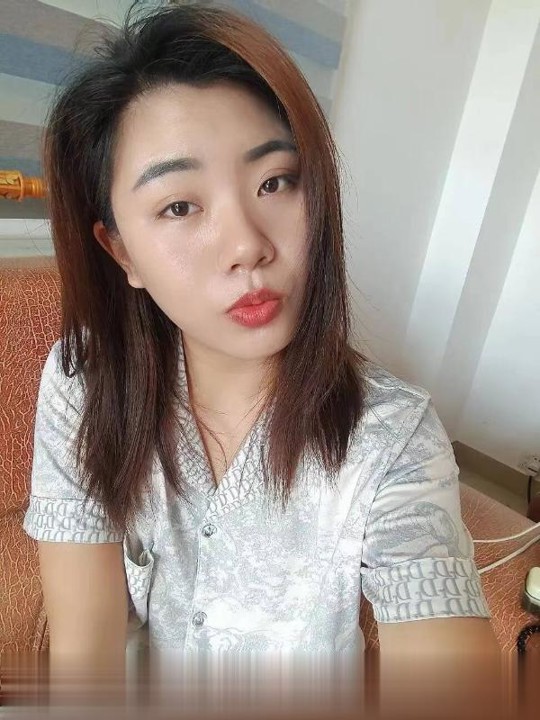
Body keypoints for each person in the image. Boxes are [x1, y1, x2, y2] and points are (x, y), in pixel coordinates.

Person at [22, 0, 496, 670]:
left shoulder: (391, 439)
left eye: (275, 182)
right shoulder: (86, 381)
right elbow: (83, 662)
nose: (247, 244)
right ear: (122, 252)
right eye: (180, 205)